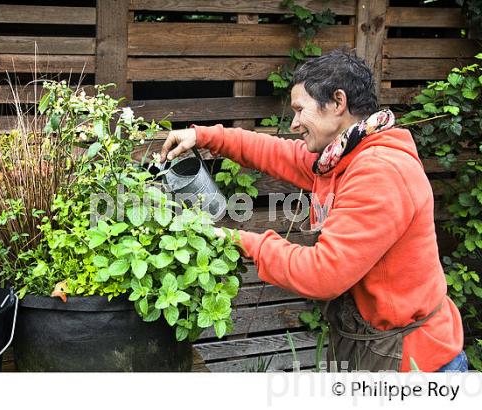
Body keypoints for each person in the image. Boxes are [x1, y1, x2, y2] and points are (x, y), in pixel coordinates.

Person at [159, 49, 466, 372]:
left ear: (337, 102)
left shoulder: (379, 172)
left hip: (416, 368)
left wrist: (238, 240)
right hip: (376, 351)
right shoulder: (342, 157)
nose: (293, 124)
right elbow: (275, 152)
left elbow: (324, 274)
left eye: (299, 110)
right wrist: (204, 136)